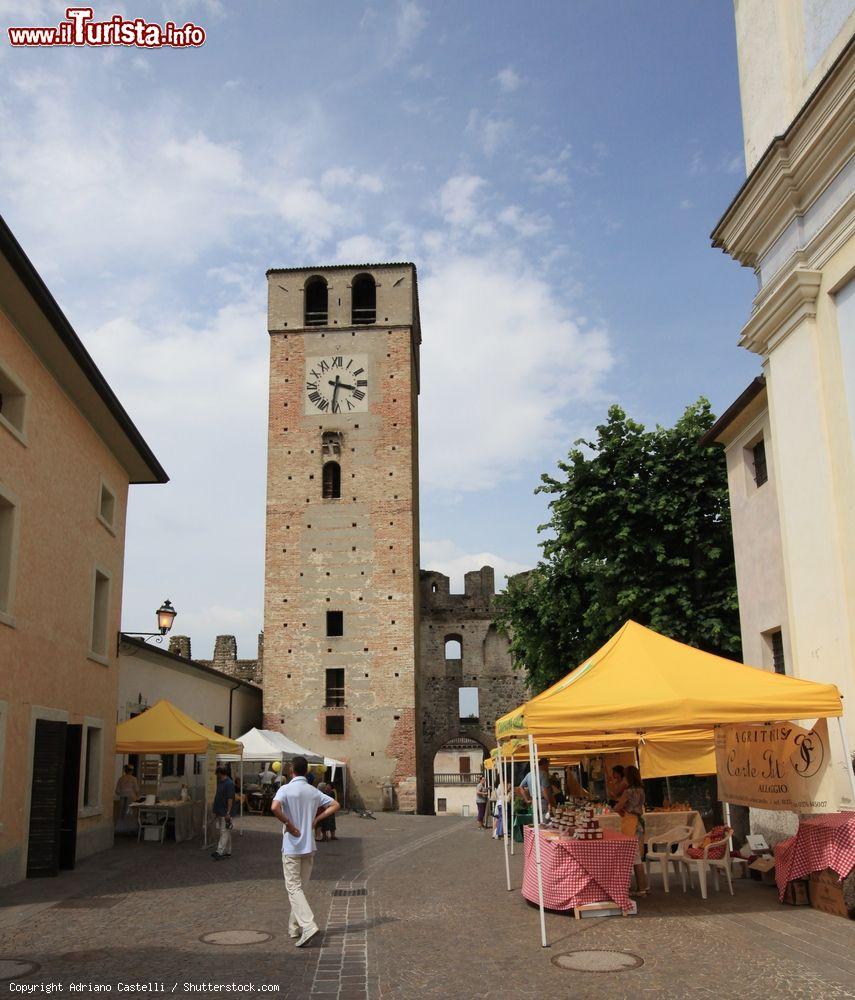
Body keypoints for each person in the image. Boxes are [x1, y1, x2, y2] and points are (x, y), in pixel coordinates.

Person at [272, 755, 341, 948]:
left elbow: (274, 807)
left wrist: (288, 823)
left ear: (292, 770)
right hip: (309, 846)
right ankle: (294, 927)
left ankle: (308, 925)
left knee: (293, 888)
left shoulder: (285, 789)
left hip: (292, 846)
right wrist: (317, 819)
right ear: (307, 771)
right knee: (299, 888)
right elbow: (335, 805)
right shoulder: (312, 791)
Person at [615, 765, 649, 895]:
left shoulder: (628, 792)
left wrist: (621, 811)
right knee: (637, 855)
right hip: (638, 821)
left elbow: (617, 807)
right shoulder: (641, 790)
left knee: (634, 857)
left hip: (630, 822)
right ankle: (642, 886)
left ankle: (641, 888)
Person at [211, 766, 235, 861]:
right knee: (226, 831)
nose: (216, 775)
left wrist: (228, 812)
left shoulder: (229, 783)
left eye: (217, 773)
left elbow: (230, 798)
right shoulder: (221, 782)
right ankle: (228, 851)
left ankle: (219, 851)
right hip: (221, 811)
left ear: (220, 773)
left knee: (224, 831)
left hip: (225, 812)